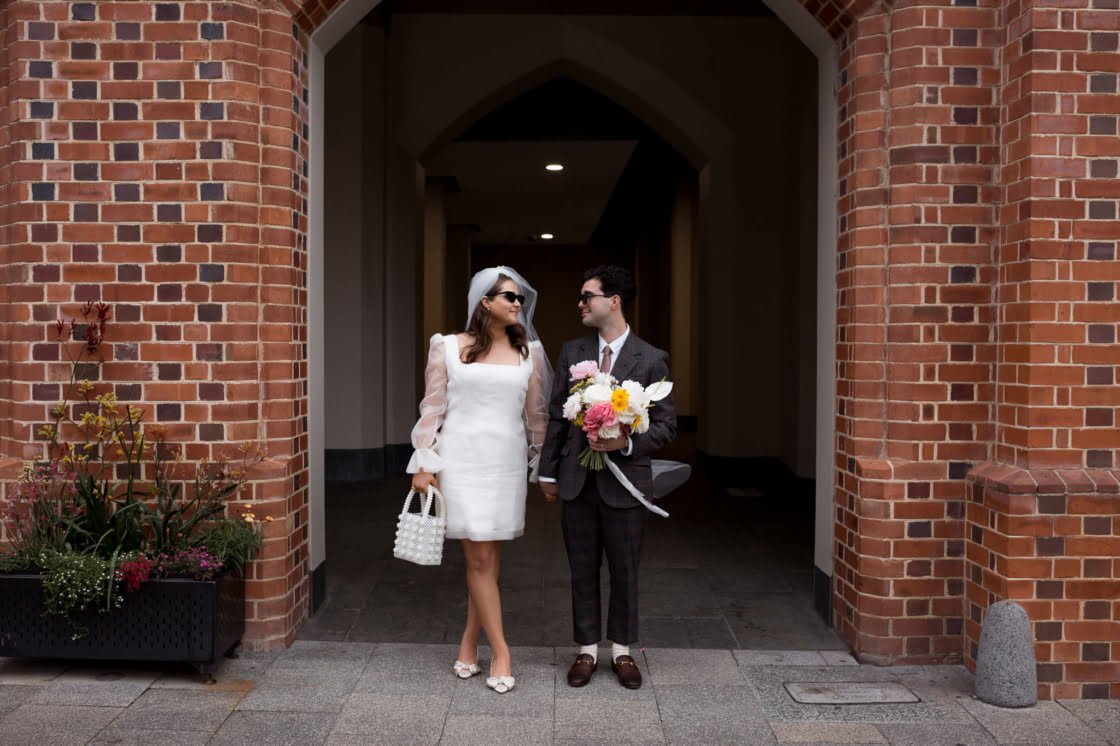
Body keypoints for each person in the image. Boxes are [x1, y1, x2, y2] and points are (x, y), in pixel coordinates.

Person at [407, 266, 551, 695]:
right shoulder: (448, 347)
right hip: (461, 460)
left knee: (487, 559)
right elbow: (432, 408)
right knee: (480, 561)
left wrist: (543, 467)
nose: (518, 303)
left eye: (520, 297)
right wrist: (424, 462)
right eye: (509, 296)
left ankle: (469, 643)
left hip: (505, 463)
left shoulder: (530, 353)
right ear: (485, 302)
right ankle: (502, 651)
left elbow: (536, 418)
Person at [539, 265, 677, 690]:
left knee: (625, 569)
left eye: (588, 296)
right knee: (581, 566)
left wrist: (625, 443)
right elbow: (557, 417)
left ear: (613, 301)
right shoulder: (572, 352)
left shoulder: (651, 358)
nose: (580, 304)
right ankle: (586, 650)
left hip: (627, 483)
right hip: (577, 479)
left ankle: (622, 651)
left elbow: (666, 425)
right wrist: (547, 472)